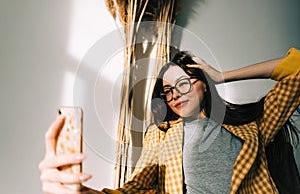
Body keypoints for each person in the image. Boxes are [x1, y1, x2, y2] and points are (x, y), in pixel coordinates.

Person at [39, 48, 300, 193]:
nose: (175, 95)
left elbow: (297, 67)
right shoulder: (160, 134)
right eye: (168, 90)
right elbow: (137, 189)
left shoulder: (254, 125)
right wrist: (84, 193)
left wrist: (221, 75)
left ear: (205, 85)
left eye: (183, 83)